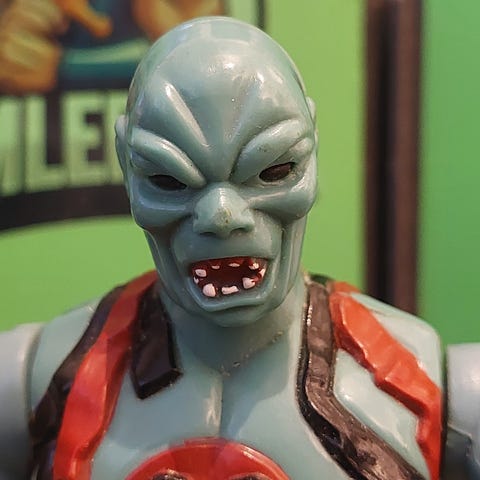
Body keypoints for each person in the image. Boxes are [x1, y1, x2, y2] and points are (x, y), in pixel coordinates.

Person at [0, 17, 478, 480]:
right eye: (170, 180)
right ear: (128, 166)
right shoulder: (29, 385)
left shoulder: (438, 388)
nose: (221, 215)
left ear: (310, 151)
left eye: (272, 171)